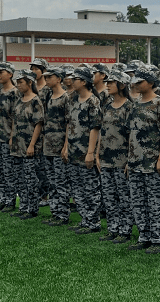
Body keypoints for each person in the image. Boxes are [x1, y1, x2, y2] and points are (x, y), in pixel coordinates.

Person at [126, 67, 160, 253]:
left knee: (155, 202)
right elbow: (132, 133)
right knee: (138, 201)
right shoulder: (135, 104)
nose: (136, 85)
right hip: (136, 161)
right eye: (135, 82)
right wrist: (130, 160)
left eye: (140, 82)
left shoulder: (159, 103)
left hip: (152, 162)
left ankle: (159, 239)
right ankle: (144, 235)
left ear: (151, 83)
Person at [64, 67, 103, 234]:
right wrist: (66, 146)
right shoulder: (73, 99)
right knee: (77, 188)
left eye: (76, 79)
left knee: (90, 189)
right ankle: (85, 219)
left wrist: (90, 152)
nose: (72, 81)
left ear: (85, 82)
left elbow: (95, 128)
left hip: (85, 152)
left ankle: (93, 222)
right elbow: (69, 124)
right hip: (73, 151)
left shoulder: (93, 101)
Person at [97, 69, 135, 242]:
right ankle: (113, 228)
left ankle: (125, 230)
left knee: (124, 197)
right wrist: (97, 153)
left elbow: (133, 135)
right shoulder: (106, 106)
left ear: (122, 85)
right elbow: (102, 131)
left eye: (112, 82)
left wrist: (130, 159)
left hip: (122, 160)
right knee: (109, 195)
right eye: (108, 82)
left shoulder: (130, 107)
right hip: (106, 158)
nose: (108, 85)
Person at [11, 69, 45, 220]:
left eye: (21, 82)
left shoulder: (36, 100)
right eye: (17, 83)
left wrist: (31, 145)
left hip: (30, 146)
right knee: (19, 178)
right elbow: (15, 120)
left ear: (29, 83)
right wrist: (12, 138)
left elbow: (38, 124)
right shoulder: (19, 99)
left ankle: (32, 208)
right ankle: (23, 206)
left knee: (31, 179)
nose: (18, 85)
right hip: (18, 146)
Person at [40, 67, 72, 226]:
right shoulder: (48, 96)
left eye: (50, 77)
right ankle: (55, 212)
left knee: (61, 181)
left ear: (59, 78)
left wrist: (66, 146)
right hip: (48, 145)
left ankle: (63, 214)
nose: (47, 79)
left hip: (60, 145)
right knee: (51, 181)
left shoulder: (66, 97)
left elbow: (69, 123)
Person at [0, 62, 20, 212]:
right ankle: (3, 198)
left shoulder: (15, 93)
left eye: (2, 72)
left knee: (9, 171)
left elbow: (15, 117)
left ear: (11, 74)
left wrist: (13, 136)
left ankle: (10, 201)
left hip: (8, 138)